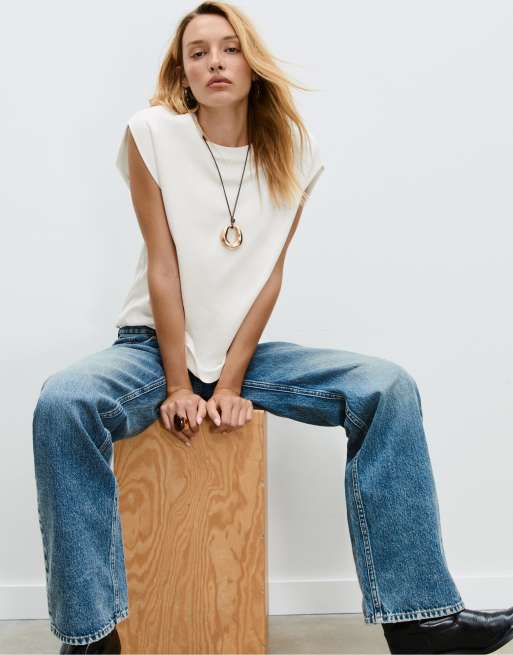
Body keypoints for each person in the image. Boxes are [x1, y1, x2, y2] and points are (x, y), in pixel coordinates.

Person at [32, 2, 513, 654]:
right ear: (182, 72)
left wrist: (230, 380)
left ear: (251, 63)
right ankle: (90, 636)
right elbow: (164, 270)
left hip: (243, 351)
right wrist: (180, 385)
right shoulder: (152, 135)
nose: (214, 62)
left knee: (388, 387)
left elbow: (268, 275)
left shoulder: (294, 152)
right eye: (198, 52)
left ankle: (420, 619)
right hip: (154, 349)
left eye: (229, 48)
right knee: (64, 403)